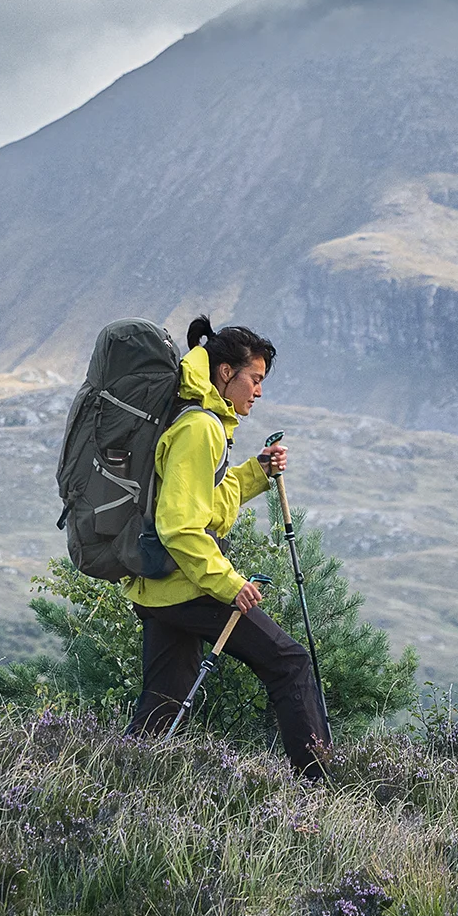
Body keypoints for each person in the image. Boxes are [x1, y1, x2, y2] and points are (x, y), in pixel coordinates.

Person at [124, 317, 329, 777]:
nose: (258, 391)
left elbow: (206, 498)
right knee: (290, 663)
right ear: (224, 373)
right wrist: (230, 584)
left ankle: (124, 781)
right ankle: (319, 790)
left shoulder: (194, 416)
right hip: (186, 585)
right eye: (254, 379)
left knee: (163, 704)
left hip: (157, 586)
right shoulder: (201, 427)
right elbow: (181, 526)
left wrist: (258, 471)